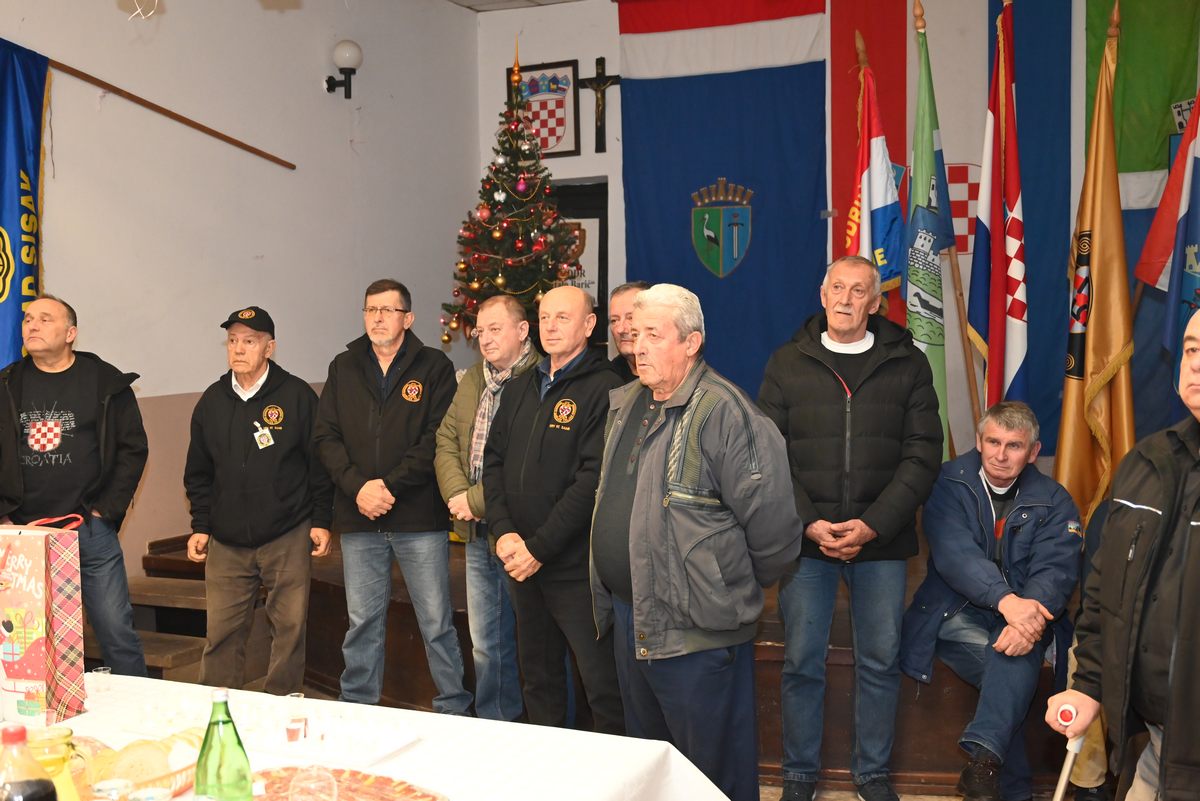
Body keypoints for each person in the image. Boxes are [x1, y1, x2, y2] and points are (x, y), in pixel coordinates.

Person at [592, 283, 803, 800]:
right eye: (634, 333)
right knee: (650, 771)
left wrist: (719, 586)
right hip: (632, 616)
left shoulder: (728, 414)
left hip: (697, 632)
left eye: (653, 335)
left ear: (691, 342)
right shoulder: (627, 402)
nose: (637, 344)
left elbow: (775, 534)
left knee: (709, 778)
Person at [758, 255, 942, 801]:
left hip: (880, 544)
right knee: (801, 662)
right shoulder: (787, 362)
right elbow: (768, 455)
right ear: (822, 295)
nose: (845, 299)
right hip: (807, 544)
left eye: (858, 291)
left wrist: (873, 525)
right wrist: (808, 522)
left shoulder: (908, 364)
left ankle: (872, 774)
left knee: (880, 661)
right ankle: (798, 775)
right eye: (837, 288)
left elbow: (923, 455)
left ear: (875, 302)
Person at [1046, 308, 1200, 801]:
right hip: (1158, 742)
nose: (1196, 364)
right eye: (1192, 349)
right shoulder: (1148, 462)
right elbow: (1105, 589)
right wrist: (1089, 685)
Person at [900, 401, 1080, 801]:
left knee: (1011, 660)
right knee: (1013, 669)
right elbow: (956, 556)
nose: (1000, 455)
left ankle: (984, 769)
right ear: (979, 441)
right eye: (993, 442)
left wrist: (1026, 618)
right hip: (953, 611)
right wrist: (1008, 603)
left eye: (1014, 445)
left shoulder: (1054, 499)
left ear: (1033, 452)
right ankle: (1008, 785)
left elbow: (1056, 570)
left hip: (1025, 617)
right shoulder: (948, 482)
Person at [314, 279, 471, 713]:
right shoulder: (343, 366)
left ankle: (453, 709)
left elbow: (438, 437)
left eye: (388, 310)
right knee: (362, 622)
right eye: (371, 310)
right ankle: (357, 707)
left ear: (408, 318)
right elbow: (326, 437)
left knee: (436, 622)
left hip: (418, 517)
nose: (378, 318)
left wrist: (388, 486)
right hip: (359, 515)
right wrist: (358, 487)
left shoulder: (433, 366)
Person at [482, 285, 623, 732]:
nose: (551, 326)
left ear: (589, 325)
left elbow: (592, 480)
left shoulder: (607, 388)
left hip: (574, 567)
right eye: (545, 317)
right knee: (538, 678)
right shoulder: (521, 386)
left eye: (563, 317)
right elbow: (493, 462)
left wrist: (538, 548)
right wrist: (504, 531)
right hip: (520, 562)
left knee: (600, 683)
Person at [184, 306, 334, 694]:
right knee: (221, 632)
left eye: (249, 341)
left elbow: (319, 465)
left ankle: (281, 706)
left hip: (287, 532)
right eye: (232, 340)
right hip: (227, 539)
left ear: (269, 348)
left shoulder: (297, 396)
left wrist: (321, 520)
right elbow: (198, 472)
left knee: (289, 629)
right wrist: (201, 525)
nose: (238, 349)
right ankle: (217, 709)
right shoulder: (212, 401)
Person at [0, 295, 148, 675]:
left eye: (45, 319)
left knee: (116, 632)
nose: (32, 325)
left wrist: (105, 510)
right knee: (27, 637)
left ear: (71, 334)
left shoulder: (104, 382)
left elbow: (133, 449)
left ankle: (137, 707)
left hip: (88, 530)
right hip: (24, 534)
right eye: (28, 319)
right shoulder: (7, 384)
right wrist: (4, 517)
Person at [434, 295, 538, 721]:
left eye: (496, 329)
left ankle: (544, 730)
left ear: (522, 331)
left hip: (521, 535)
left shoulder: (540, 378)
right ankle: (497, 724)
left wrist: (474, 501)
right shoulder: (474, 378)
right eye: (480, 330)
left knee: (536, 643)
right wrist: (458, 495)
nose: (485, 338)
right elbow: (445, 439)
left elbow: (523, 460)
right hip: (477, 534)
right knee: (486, 643)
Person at [607, 281, 649, 383]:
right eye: (614, 320)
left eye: (631, 318)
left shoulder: (677, 375)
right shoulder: (607, 380)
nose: (620, 329)